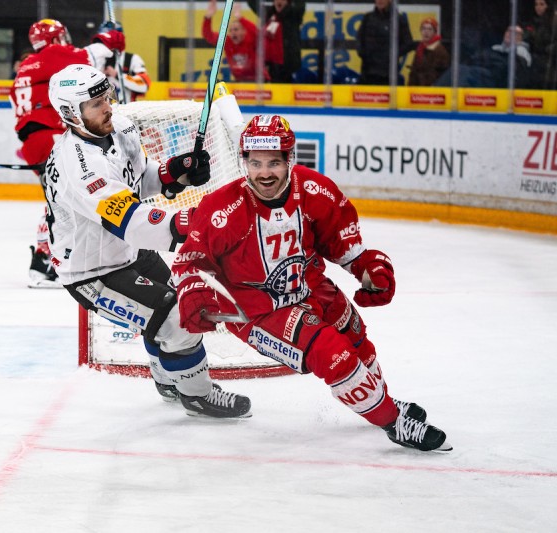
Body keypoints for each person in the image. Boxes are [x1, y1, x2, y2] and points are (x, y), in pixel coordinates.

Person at [171, 114, 452, 451]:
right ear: (244, 162)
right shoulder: (223, 209)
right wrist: (195, 294)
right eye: (256, 162)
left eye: (274, 162)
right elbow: (189, 263)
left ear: (290, 159)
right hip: (257, 309)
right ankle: (394, 422)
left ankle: (381, 400)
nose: (264, 173)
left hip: (308, 283)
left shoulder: (315, 189)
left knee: (355, 334)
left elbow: (342, 245)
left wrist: (368, 269)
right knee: (331, 352)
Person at [44, 63, 250, 418]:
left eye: (105, 97)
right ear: (69, 114)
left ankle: (169, 378)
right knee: (177, 317)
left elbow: (139, 178)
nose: (107, 106)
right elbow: (129, 219)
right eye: (95, 105)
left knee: (173, 307)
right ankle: (198, 396)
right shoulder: (77, 166)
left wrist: (176, 171)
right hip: (92, 271)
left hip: (128, 250)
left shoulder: (119, 126)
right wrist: (191, 222)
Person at [10, 18, 113, 288]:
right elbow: (94, 56)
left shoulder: (26, 66)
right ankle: (45, 261)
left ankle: (49, 257)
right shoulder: (54, 55)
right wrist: (109, 38)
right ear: (57, 38)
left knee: (59, 197)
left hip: (33, 142)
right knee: (63, 200)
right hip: (50, 137)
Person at [435, 25, 532, 88]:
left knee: (463, 73)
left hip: (496, 78)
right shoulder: (495, 48)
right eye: (508, 31)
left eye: (514, 33)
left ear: (520, 38)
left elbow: (517, 70)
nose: (509, 34)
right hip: (484, 73)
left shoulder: (521, 51)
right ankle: (435, 93)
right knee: (458, 69)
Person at [356, 0, 415, 85]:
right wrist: (362, 53)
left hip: (388, 73)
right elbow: (359, 38)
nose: (380, 1)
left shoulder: (398, 19)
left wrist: (393, 54)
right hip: (368, 71)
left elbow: (408, 43)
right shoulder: (368, 18)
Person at [247, 0, 306, 83]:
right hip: (271, 65)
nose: (279, 1)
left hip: (288, 65)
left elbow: (300, 4)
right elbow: (253, 3)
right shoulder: (269, 13)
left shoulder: (294, 14)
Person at [203, 0, 262, 82]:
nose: (233, 32)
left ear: (244, 31)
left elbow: (258, 33)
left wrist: (240, 18)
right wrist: (207, 18)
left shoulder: (251, 40)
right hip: (239, 81)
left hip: (258, 81)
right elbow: (209, 35)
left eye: (236, 29)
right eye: (231, 30)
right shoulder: (228, 41)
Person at [92, 21, 151, 102]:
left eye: (107, 39)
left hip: (127, 110)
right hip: (100, 112)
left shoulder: (131, 59)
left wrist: (117, 75)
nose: (103, 43)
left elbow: (144, 84)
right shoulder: (94, 58)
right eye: (101, 39)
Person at [523, 0, 557, 89]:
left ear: (548, 6)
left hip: (550, 62)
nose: (538, 7)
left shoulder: (554, 21)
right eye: (536, 4)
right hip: (535, 60)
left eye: (542, 4)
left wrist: (547, 49)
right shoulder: (532, 21)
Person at [408, 17, 450, 86]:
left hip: (431, 91)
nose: (426, 32)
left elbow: (439, 75)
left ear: (435, 32)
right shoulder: (420, 48)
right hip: (416, 90)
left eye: (430, 29)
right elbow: (413, 72)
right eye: (424, 29)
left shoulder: (439, 51)